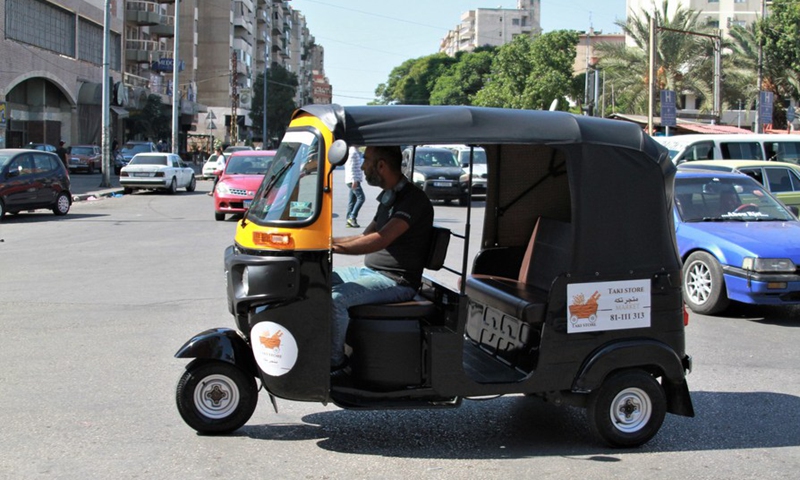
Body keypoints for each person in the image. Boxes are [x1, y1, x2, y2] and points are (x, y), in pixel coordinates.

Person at [330, 146, 434, 372]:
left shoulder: (413, 200)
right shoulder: (390, 197)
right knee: (321, 279)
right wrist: (323, 241)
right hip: (371, 273)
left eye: (366, 160)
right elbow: (365, 235)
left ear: (381, 166)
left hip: (396, 282)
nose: (362, 166)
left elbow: (380, 240)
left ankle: (334, 364)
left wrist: (332, 247)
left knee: (335, 299)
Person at [344, 146, 365, 228]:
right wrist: (354, 180)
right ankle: (352, 218)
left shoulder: (353, 151)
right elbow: (351, 167)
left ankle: (349, 220)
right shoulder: (353, 152)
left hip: (352, 179)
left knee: (352, 200)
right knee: (361, 198)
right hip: (353, 180)